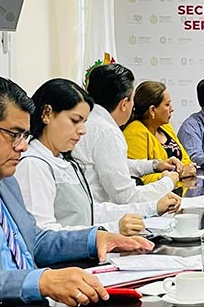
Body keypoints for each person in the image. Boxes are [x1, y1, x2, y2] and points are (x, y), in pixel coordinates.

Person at [0, 74, 153, 307]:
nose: (23, 146)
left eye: (25, 135)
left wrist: (94, 239)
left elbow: (32, 240)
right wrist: (43, 281)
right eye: (15, 134)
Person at [14, 79, 181, 236]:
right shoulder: (33, 164)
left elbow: (91, 212)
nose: (82, 130)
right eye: (75, 120)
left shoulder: (63, 161)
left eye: (84, 122)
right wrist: (112, 229)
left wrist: (152, 207)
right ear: (47, 114)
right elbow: (42, 235)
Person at [72, 64, 181, 204]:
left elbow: (113, 164)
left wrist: (154, 165)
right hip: (100, 212)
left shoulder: (89, 121)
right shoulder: (107, 131)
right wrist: (167, 182)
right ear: (124, 104)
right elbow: (126, 197)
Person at [123, 81, 197, 185]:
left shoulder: (166, 127)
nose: (172, 109)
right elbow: (138, 178)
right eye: (167, 105)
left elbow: (186, 160)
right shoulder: (135, 132)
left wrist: (185, 169)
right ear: (152, 110)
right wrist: (176, 174)